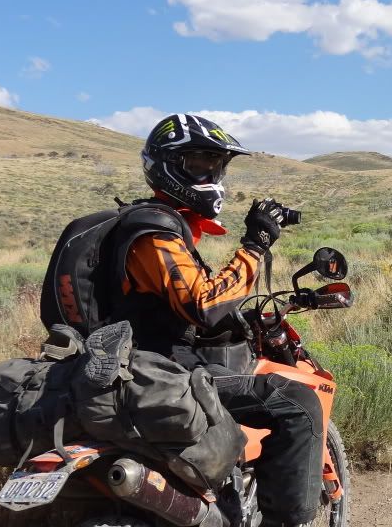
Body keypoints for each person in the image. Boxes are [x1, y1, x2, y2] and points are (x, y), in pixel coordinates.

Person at [107, 114, 322, 526]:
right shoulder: (153, 232)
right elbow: (203, 303)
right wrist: (254, 247)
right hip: (158, 373)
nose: (211, 174)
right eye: (199, 163)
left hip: (144, 366)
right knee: (298, 403)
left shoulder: (157, 226)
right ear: (167, 166)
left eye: (216, 165)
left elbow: (182, 300)